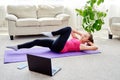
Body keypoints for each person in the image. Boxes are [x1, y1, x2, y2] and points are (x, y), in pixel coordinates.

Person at [7, 27, 98, 53]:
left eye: (85, 36)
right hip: (56, 45)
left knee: (68, 28)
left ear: (87, 41)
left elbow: (95, 47)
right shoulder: (76, 38)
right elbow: (73, 31)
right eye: (84, 34)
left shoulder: (82, 46)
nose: (83, 35)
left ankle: (52, 33)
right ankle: (17, 47)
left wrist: (89, 43)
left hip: (60, 48)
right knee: (37, 41)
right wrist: (80, 34)